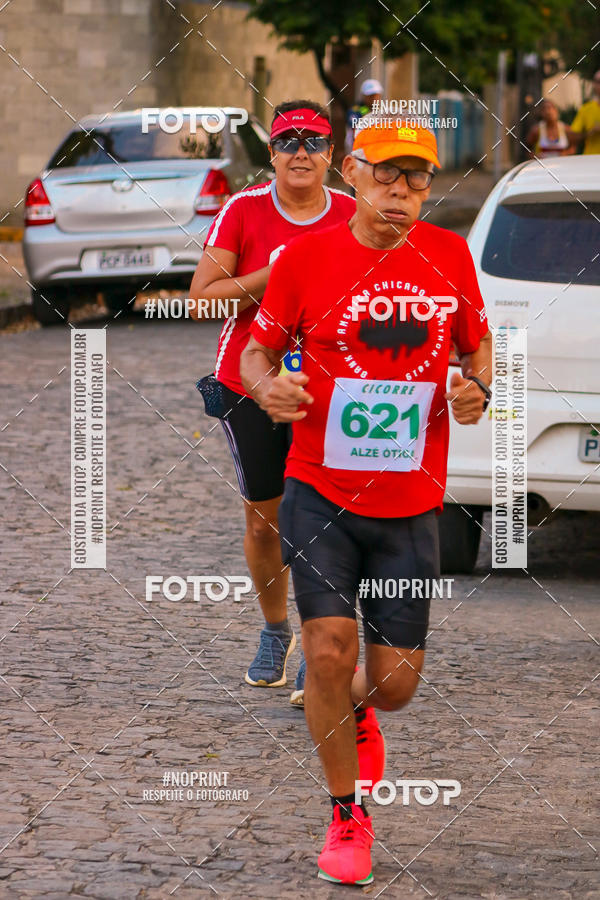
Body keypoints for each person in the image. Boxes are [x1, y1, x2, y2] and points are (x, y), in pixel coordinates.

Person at [241, 120, 492, 885]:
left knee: (394, 684)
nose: (402, 192)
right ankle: (347, 815)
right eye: (387, 175)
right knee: (325, 652)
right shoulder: (306, 258)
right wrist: (266, 386)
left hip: (413, 502)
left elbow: (476, 348)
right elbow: (258, 348)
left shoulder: (449, 256)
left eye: (417, 179)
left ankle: (360, 707)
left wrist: (476, 388)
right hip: (319, 490)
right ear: (352, 173)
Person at [190, 101, 355, 705]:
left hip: (333, 387)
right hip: (248, 383)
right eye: (288, 141)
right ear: (272, 153)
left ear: (332, 155)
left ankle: (321, 644)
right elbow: (203, 298)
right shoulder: (244, 211)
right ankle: (275, 628)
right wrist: (276, 274)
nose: (301, 152)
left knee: (327, 517)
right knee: (265, 518)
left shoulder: (352, 214)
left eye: (314, 141)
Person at [345, 78, 384, 153]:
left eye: (376, 95)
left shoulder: (382, 111)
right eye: (371, 96)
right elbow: (356, 131)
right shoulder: (355, 111)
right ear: (364, 96)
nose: (374, 98)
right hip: (358, 150)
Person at [571, 70, 600, 155]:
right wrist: (590, 132)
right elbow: (573, 138)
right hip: (590, 161)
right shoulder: (585, 109)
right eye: (597, 81)